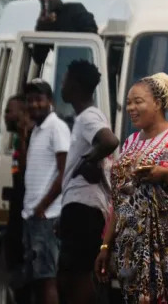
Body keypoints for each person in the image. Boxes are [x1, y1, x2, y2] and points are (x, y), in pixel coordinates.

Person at [94, 73, 168, 303]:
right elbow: (120, 203)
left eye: (138, 101)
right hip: (131, 255)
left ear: (158, 103)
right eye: (128, 102)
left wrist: (165, 174)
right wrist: (106, 245)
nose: (131, 108)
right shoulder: (130, 142)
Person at [58, 60, 119, 304]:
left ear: (74, 85)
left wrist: (87, 160)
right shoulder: (85, 117)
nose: (61, 85)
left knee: (77, 278)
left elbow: (109, 141)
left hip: (84, 208)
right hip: (79, 206)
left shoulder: (88, 117)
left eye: (64, 80)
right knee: (71, 277)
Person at [22, 79, 71, 304]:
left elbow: (64, 173)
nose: (34, 104)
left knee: (47, 278)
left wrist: (43, 206)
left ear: (50, 101)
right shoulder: (36, 129)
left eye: (39, 99)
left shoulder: (56, 127)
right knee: (36, 278)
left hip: (47, 215)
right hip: (33, 214)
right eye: (30, 100)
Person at [4, 95, 33, 304]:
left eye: (9, 111)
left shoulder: (32, 138)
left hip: (28, 212)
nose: (6, 116)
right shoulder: (17, 139)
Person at [33, 0, 98, 64]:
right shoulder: (43, 21)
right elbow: (39, 59)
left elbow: (91, 37)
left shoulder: (75, 10)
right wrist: (42, 28)